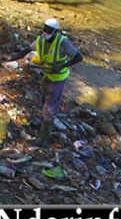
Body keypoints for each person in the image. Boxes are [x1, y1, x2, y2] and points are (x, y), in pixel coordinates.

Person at [32, 17, 83, 145]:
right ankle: (44, 126)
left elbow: (78, 57)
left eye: (48, 30)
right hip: (48, 76)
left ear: (55, 32)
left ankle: (43, 138)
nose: (45, 32)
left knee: (50, 107)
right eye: (44, 29)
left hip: (58, 78)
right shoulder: (41, 40)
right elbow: (27, 49)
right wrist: (14, 57)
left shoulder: (62, 42)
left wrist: (62, 65)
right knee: (44, 101)